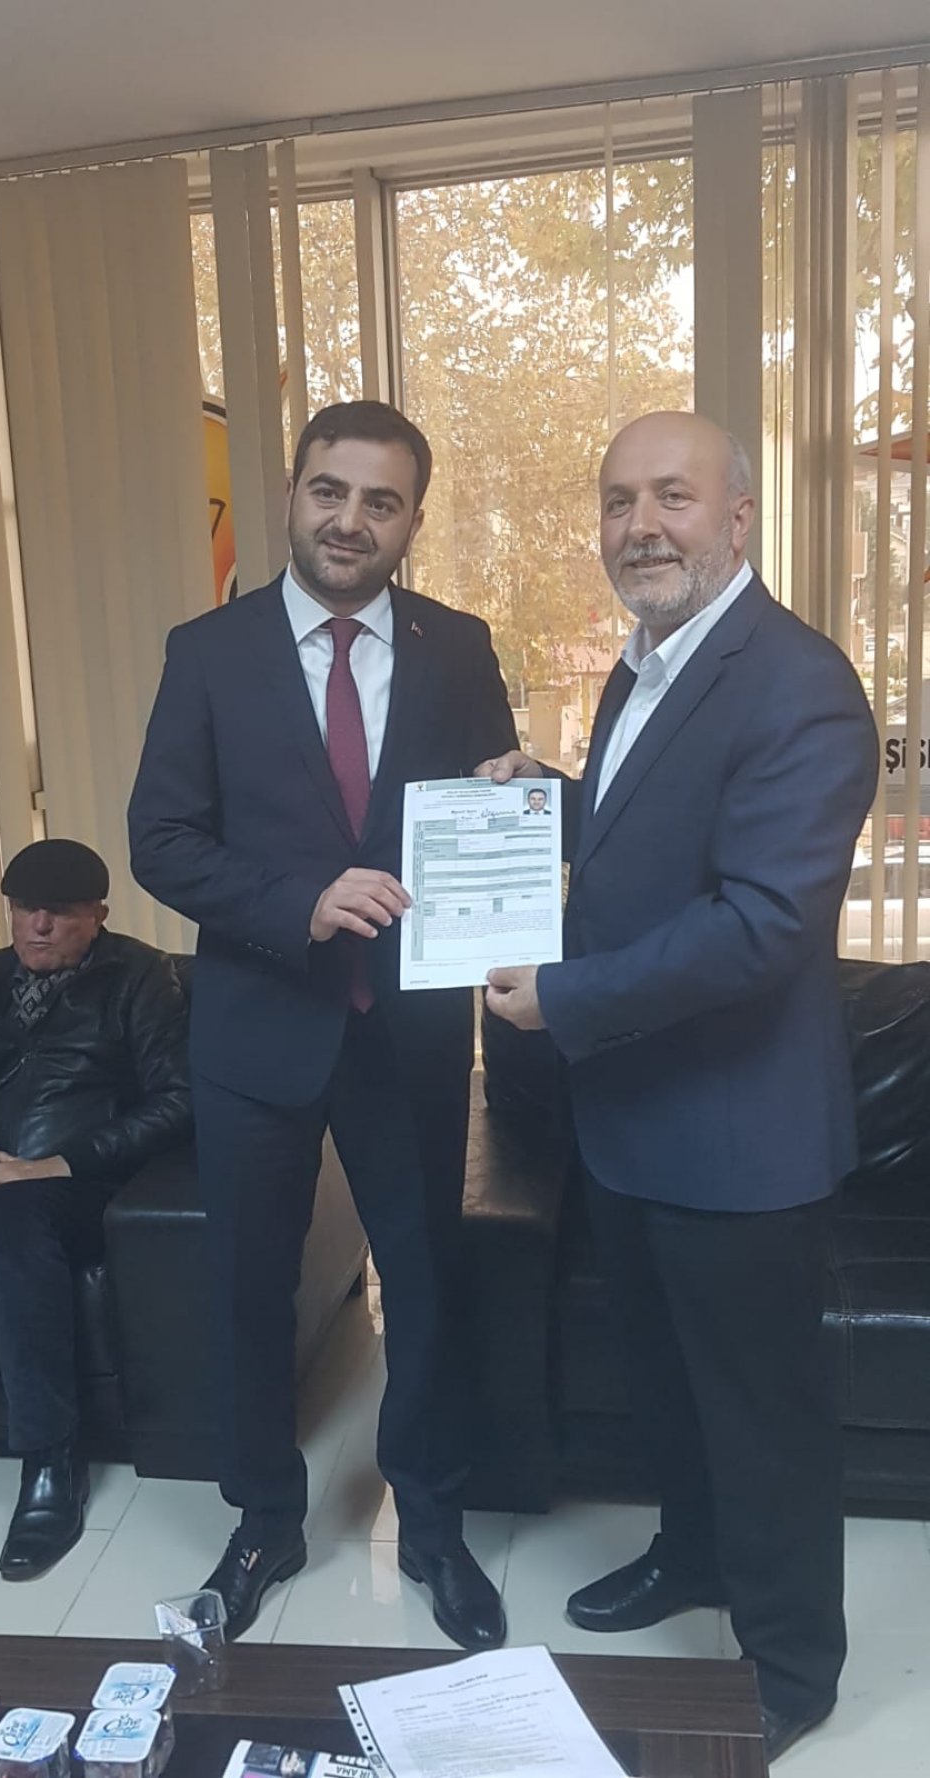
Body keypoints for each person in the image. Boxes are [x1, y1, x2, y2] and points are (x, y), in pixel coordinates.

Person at [476, 411, 879, 1764]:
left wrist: (566, 997)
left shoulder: (800, 682)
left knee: (763, 1418)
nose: (639, 525)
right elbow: (647, 831)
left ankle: (792, 1667)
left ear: (739, 516)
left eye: (671, 496)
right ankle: (692, 1555)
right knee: (664, 1383)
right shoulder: (644, 663)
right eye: (617, 500)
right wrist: (542, 795)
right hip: (634, 1120)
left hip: (741, 1136)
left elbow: (762, 920)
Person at [128, 399, 518, 1647]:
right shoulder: (208, 651)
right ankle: (263, 1519)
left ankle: (435, 1520)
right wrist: (295, 901)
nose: (351, 519)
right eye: (329, 491)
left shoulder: (459, 648)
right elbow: (160, 840)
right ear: (294, 494)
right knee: (248, 1285)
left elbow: (486, 816)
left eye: (381, 501)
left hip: (408, 1029)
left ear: (411, 520)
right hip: (257, 1029)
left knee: (428, 1279)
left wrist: (517, 796)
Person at [0, 838, 191, 1578]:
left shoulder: (143, 977)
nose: (38, 926)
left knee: (12, 1217)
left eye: (59, 912)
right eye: (24, 909)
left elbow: (176, 1101)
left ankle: (50, 1462)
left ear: (97, 915)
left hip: (81, 1179)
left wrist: (57, 1164)